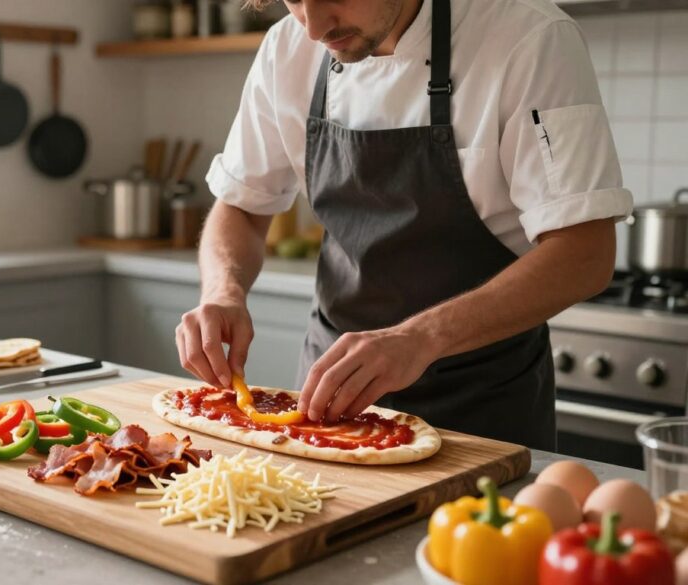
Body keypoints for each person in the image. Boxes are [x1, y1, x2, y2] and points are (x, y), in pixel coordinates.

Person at [174, 0, 631, 450]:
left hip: (481, 411)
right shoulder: (287, 49)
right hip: (325, 403)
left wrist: (419, 338)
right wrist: (223, 293)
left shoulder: (529, 38)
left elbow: (584, 254)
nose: (313, 27)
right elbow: (241, 207)